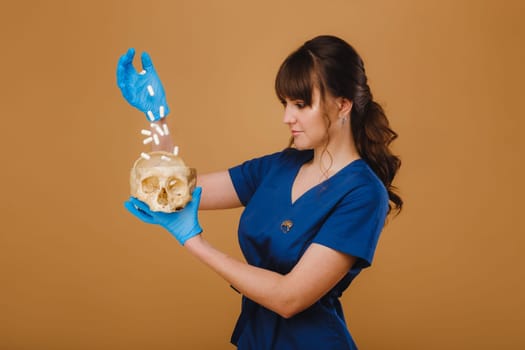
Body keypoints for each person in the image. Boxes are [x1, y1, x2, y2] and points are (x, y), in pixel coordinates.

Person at [117, 35, 403, 350]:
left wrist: (194, 242)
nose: (286, 118)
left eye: (300, 104)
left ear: (343, 104)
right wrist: (157, 119)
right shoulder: (278, 167)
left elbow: (289, 298)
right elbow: (171, 189)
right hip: (256, 341)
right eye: (285, 104)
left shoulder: (362, 194)